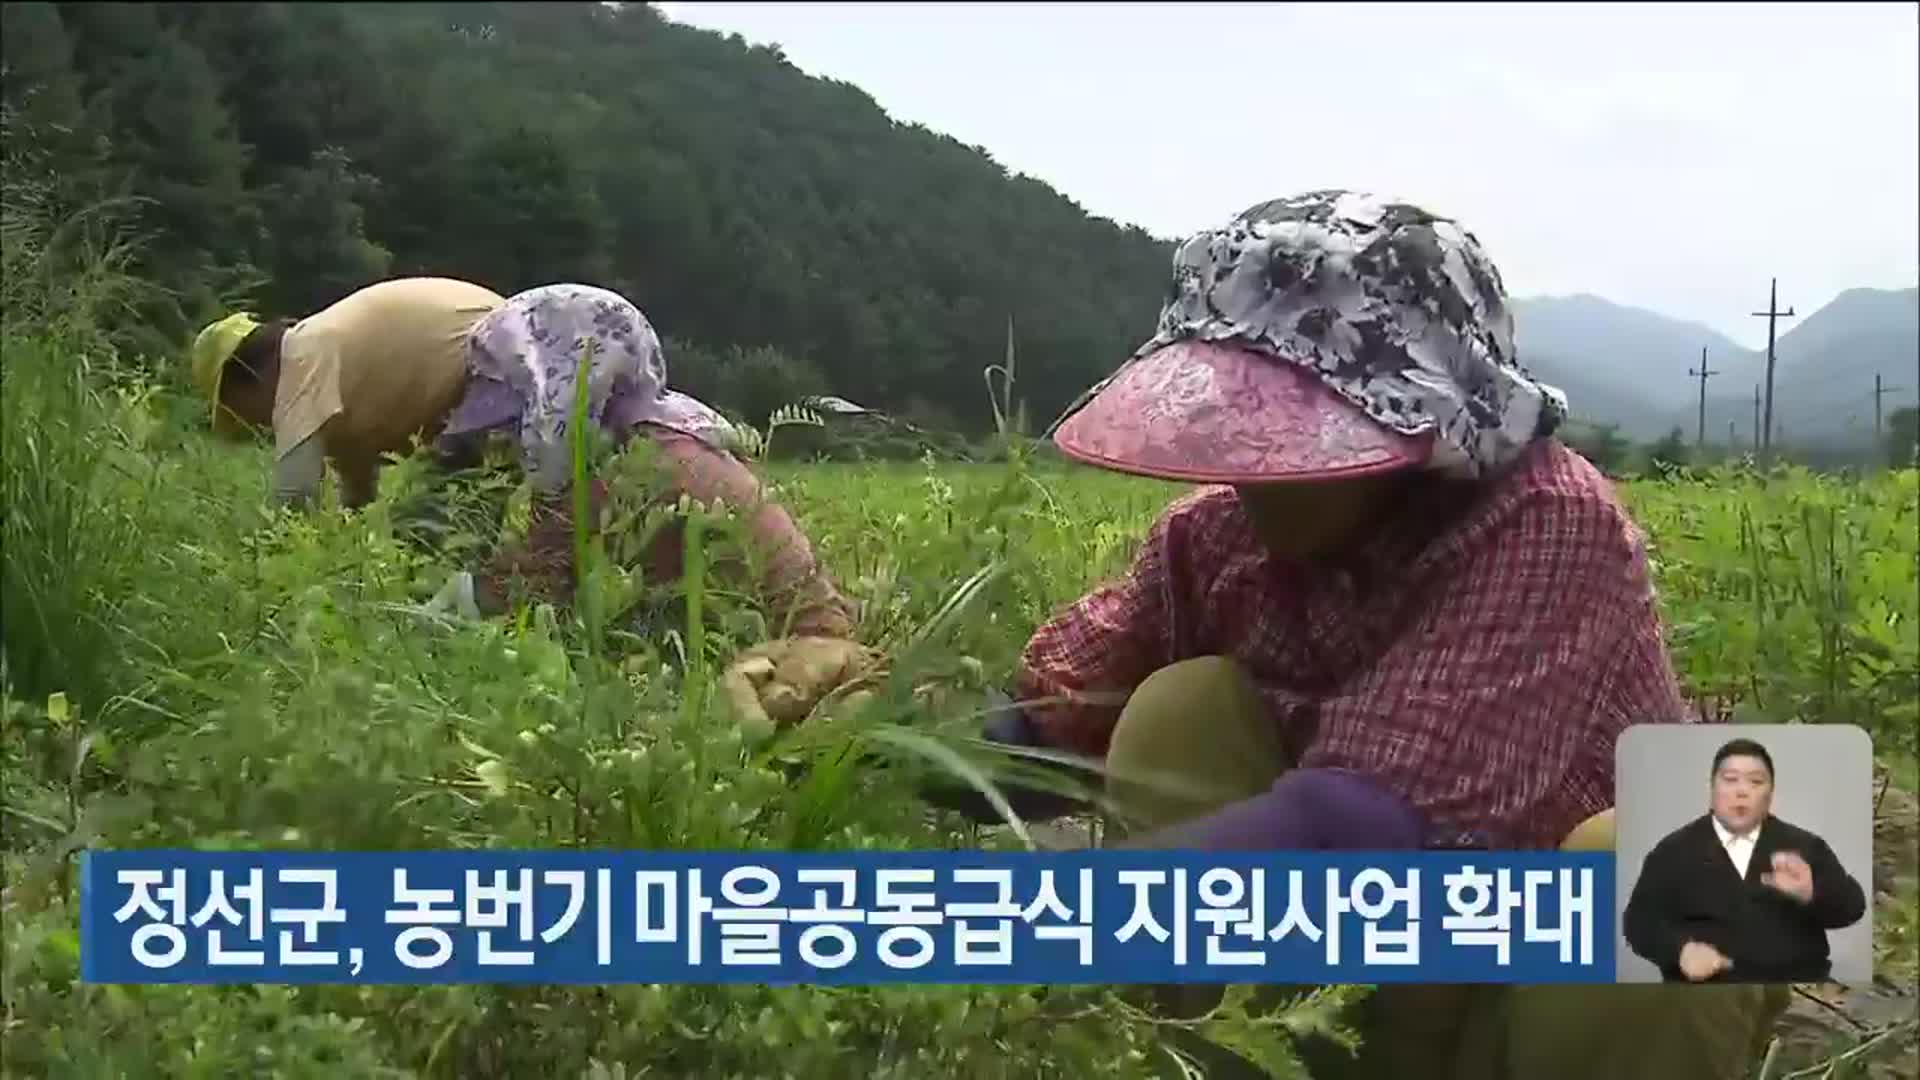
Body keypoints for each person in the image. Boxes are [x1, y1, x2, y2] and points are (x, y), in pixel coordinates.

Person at [919, 190, 1792, 1079]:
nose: (1260, 464)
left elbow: (1357, 827)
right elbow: (1049, 729)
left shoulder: (1548, 524)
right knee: (1180, 708)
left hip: (1544, 997)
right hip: (1366, 985)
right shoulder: (1213, 537)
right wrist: (859, 745)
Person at [424, 283, 864, 727]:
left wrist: (433, 609)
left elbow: (519, 587)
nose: (510, 439)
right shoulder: (669, 430)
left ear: (552, 390)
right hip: (809, 646)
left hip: (790, 672)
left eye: (516, 415)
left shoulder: (628, 470)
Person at [189, 277, 509, 510]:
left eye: (239, 410)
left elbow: (295, 496)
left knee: (430, 519)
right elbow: (358, 490)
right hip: (508, 354)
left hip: (492, 357)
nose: (255, 424)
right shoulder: (333, 382)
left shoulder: (302, 356)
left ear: (247, 380)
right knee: (469, 512)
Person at [1624, 737, 1867, 985]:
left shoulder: (1805, 847)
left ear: (1770, 793)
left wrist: (1811, 893)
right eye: (1730, 780)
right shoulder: (1672, 852)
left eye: (1756, 781)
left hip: (1799, 996)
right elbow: (1638, 923)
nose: (1742, 791)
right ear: (1712, 788)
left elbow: (1853, 907)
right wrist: (1680, 951)